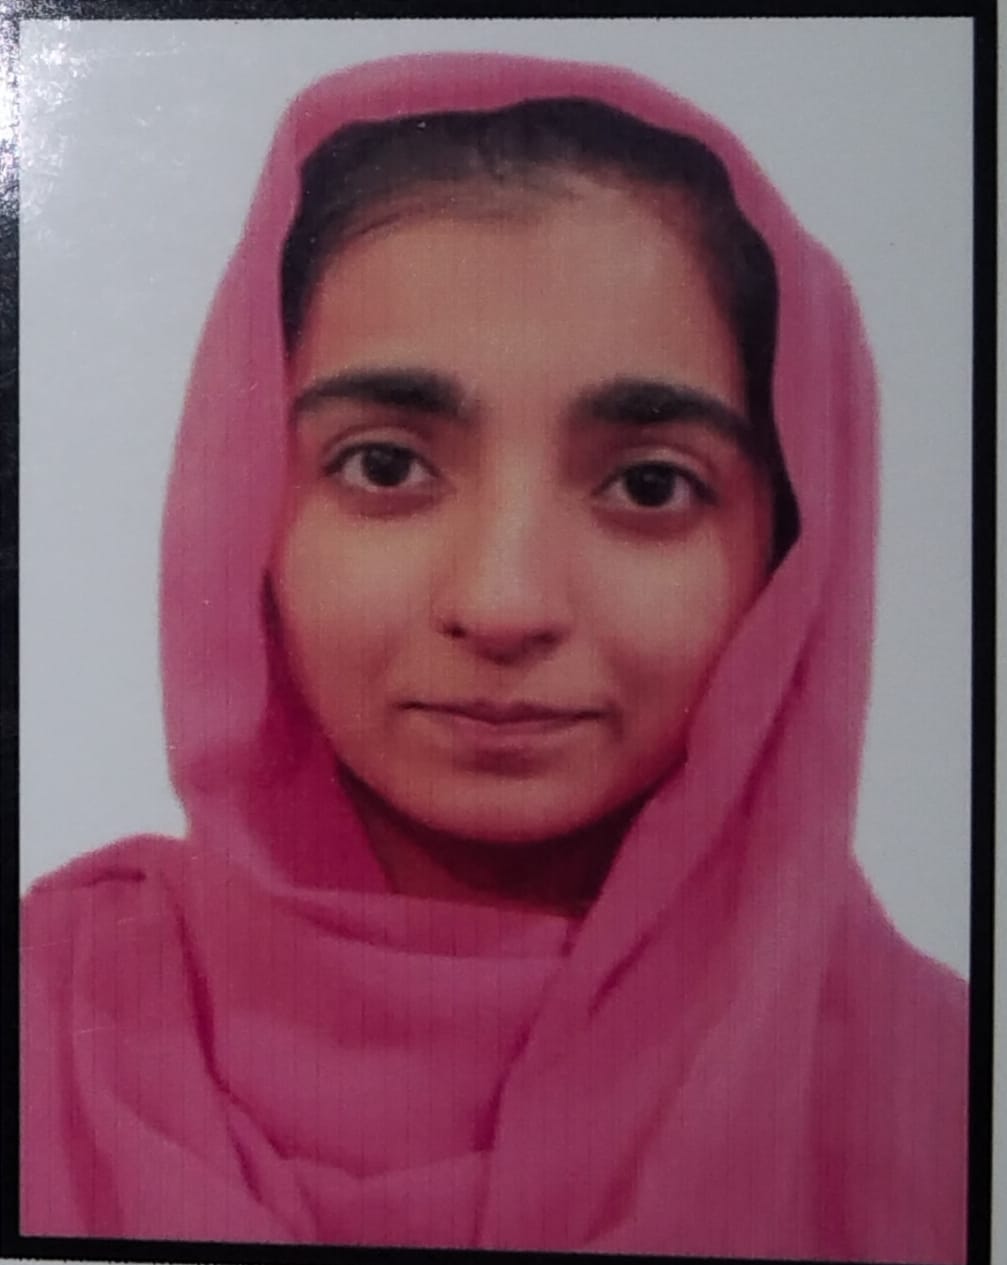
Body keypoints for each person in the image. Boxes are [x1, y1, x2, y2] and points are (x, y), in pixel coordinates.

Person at [20, 52, 967, 1261]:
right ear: (243, 504)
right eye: (384, 465)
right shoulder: (48, 1023)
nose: (503, 603)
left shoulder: (944, 1100)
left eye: (647, 485)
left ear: (787, 556)